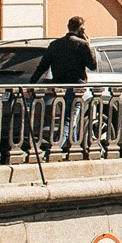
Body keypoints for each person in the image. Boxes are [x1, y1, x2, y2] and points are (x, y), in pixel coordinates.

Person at [32, 16, 98, 147]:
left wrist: (31, 83)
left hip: (59, 88)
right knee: (69, 120)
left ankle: (74, 148)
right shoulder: (82, 44)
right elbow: (93, 66)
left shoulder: (55, 44)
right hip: (76, 88)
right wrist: (89, 45)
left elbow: (42, 67)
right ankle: (54, 149)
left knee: (69, 118)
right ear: (80, 29)